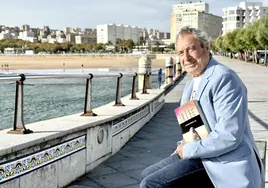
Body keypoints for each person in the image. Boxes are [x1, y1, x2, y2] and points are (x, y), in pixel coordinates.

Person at [140, 26, 265, 188]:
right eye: (180, 53)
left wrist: (187, 150)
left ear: (206, 48)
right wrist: (182, 148)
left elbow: (229, 135)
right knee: (147, 173)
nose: (186, 57)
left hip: (224, 160)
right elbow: (192, 131)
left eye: (191, 49)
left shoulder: (224, 78)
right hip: (201, 153)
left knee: (152, 184)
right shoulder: (190, 86)